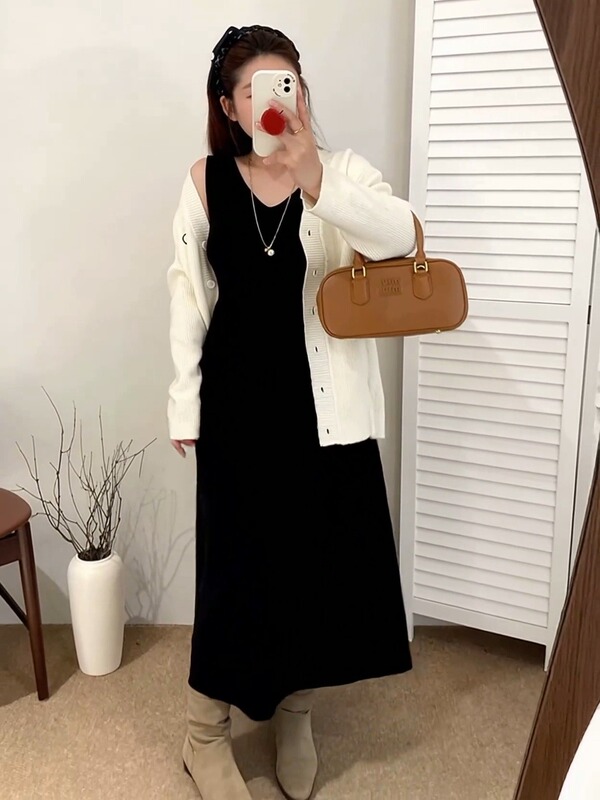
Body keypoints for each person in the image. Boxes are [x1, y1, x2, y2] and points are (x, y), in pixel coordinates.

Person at [167, 24, 415, 800]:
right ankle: (204, 735)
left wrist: (317, 180)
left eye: (289, 84)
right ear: (229, 107)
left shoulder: (342, 172)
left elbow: (404, 238)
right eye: (258, 89)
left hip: (324, 414)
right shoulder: (206, 180)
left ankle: (296, 715)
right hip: (237, 413)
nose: (278, 101)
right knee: (233, 573)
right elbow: (187, 298)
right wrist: (183, 403)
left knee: (314, 569)